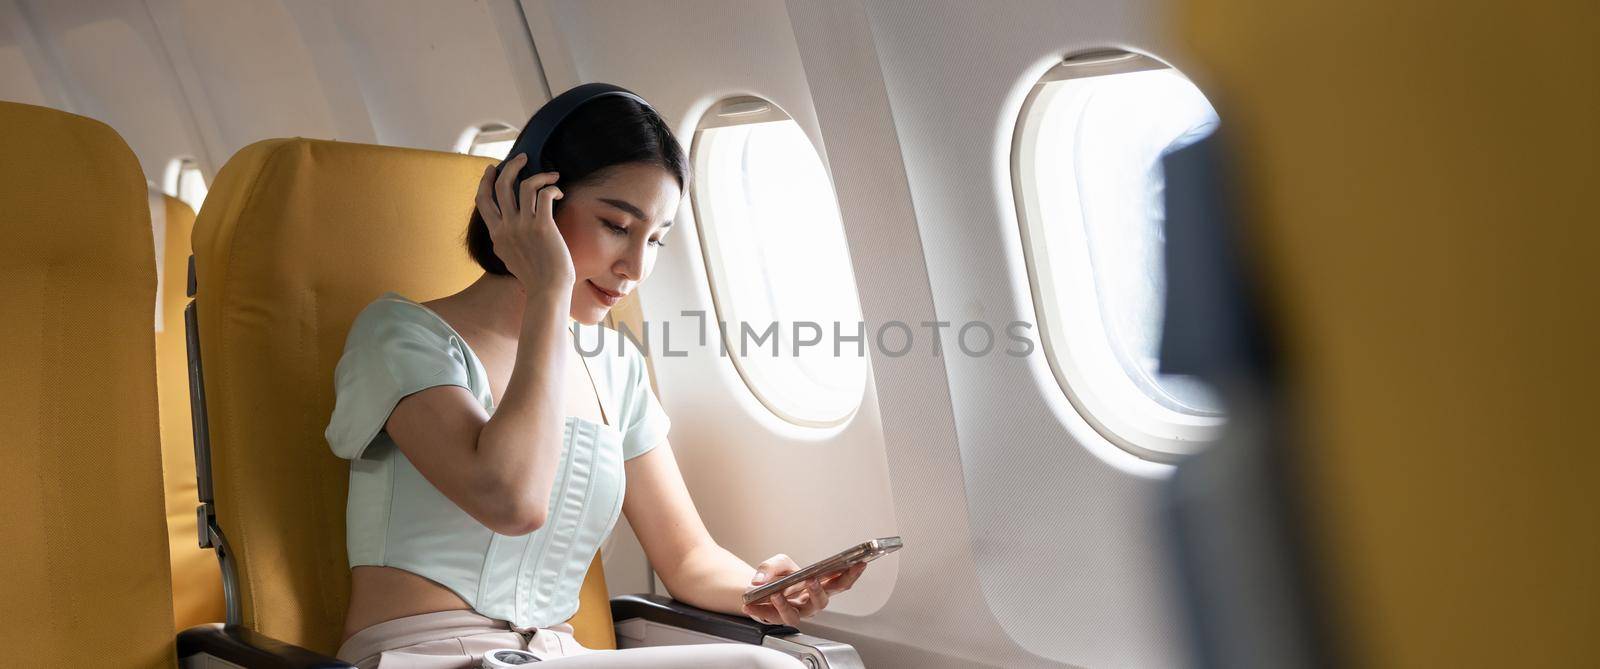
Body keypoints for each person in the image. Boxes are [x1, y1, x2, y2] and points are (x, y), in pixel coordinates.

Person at [323, 89, 867, 668]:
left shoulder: (617, 367)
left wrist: (763, 590)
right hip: (423, 656)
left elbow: (686, 558)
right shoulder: (400, 336)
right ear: (531, 201)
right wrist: (549, 295)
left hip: (555, 656)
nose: (635, 267)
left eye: (655, 239)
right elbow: (511, 501)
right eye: (615, 225)